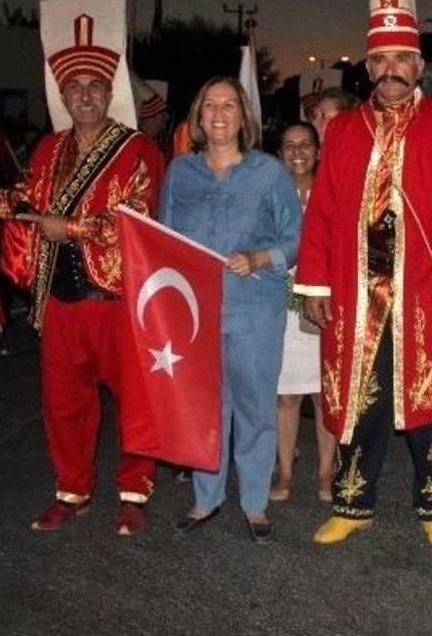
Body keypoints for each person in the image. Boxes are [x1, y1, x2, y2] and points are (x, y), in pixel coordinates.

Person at [295, 0, 432, 552]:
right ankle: (354, 504)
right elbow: (323, 211)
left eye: (402, 58)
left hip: (420, 293)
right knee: (362, 401)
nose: (391, 71)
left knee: (428, 401)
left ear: (419, 61)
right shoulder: (347, 131)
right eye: (380, 61)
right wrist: (317, 285)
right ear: (369, 65)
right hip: (356, 294)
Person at [0, 8, 163, 537]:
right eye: (74, 87)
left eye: (94, 86)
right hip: (59, 300)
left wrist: (74, 228)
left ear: (110, 94)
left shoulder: (138, 148)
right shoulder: (47, 149)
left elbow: (138, 216)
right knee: (63, 403)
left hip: (116, 297)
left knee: (134, 403)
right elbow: (18, 205)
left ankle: (134, 493)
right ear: (61, 96)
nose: (84, 95)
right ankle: (72, 491)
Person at [161, 76, 302, 543]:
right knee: (205, 407)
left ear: (244, 117)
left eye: (229, 106)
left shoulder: (269, 173)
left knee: (255, 407)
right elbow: (162, 239)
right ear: (198, 118)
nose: (219, 114)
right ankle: (206, 498)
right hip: (196, 314)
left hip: (255, 311)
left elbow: (296, 240)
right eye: (210, 106)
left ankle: (256, 504)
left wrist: (260, 258)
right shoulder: (181, 172)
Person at [271, 121, 336, 503]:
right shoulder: (270, 195)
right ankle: (285, 471)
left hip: (322, 307)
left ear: (318, 150)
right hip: (280, 312)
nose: (298, 152)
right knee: (286, 397)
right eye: (289, 145)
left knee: (324, 395)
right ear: (280, 152)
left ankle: (327, 472)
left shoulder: (333, 192)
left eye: (306, 145)